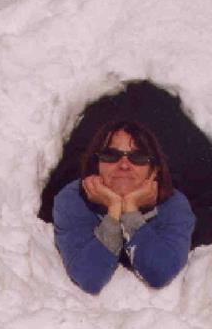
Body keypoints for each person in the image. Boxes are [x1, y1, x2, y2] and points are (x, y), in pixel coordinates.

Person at [53, 120, 196, 294]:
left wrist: (130, 210)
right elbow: (89, 276)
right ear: (96, 164)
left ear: (154, 170)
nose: (124, 165)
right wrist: (114, 210)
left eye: (138, 157)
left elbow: (159, 272)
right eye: (111, 155)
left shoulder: (173, 204)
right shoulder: (72, 199)